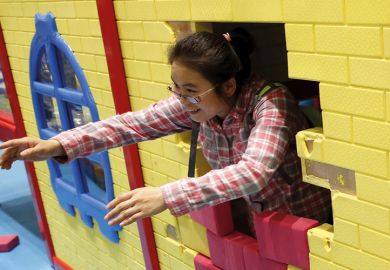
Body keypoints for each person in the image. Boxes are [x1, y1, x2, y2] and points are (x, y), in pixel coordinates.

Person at [0, 29, 331, 230]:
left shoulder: (270, 103)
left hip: (309, 221)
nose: (181, 99)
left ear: (228, 86)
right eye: (176, 87)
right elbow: (131, 124)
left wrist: (166, 195)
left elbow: (253, 172)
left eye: (190, 90)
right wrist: (58, 144)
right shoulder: (196, 104)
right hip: (259, 223)